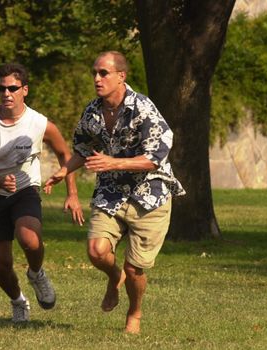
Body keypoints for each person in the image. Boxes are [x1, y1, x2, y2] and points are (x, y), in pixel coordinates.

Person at [44, 51, 185, 334]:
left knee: (135, 270)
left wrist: (112, 162)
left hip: (150, 195)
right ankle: (113, 276)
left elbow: (155, 156)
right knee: (97, 251)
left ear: (121, 76)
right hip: (111, 192)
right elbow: (83, 148)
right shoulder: (93, 111)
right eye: (94, 72)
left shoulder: (144, 109)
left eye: (103, 73)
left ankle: (134, 312)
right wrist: (64, 170)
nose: (97, 78)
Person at [0, 62, 84, 323]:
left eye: (13, 88)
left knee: (29, 238)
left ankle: (36, 273)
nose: (7, 93)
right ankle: (18, 301)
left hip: (25, 189)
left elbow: (66, 154)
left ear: (25, 90)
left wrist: (72, 193)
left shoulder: (39, 123)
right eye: (2, 88)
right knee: (1, 264)